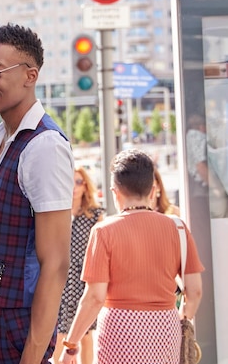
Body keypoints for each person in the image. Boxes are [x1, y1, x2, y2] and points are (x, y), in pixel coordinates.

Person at [0, 24, 74, 364]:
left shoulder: (44, 146)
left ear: (30, 75)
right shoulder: (0, 135)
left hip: (16, 330)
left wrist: (32, 357)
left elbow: (55, 264)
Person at [60, 149, 204, 364]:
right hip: (165, 329)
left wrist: (71, 345)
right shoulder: (178, 228)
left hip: (119, 331)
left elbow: (95, 298)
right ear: (152, 189)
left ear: (114, 192)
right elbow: (195, 291)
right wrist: (182, 318)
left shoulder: (103, 231)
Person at [52, 167, 103, 364]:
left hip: (84, 283)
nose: (74, 187)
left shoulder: (95, 215)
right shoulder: (56, 214)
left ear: (85, 186)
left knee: (86, 334)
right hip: (59, 283)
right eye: (71, 181)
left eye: (79, 182)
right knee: (58, 336)